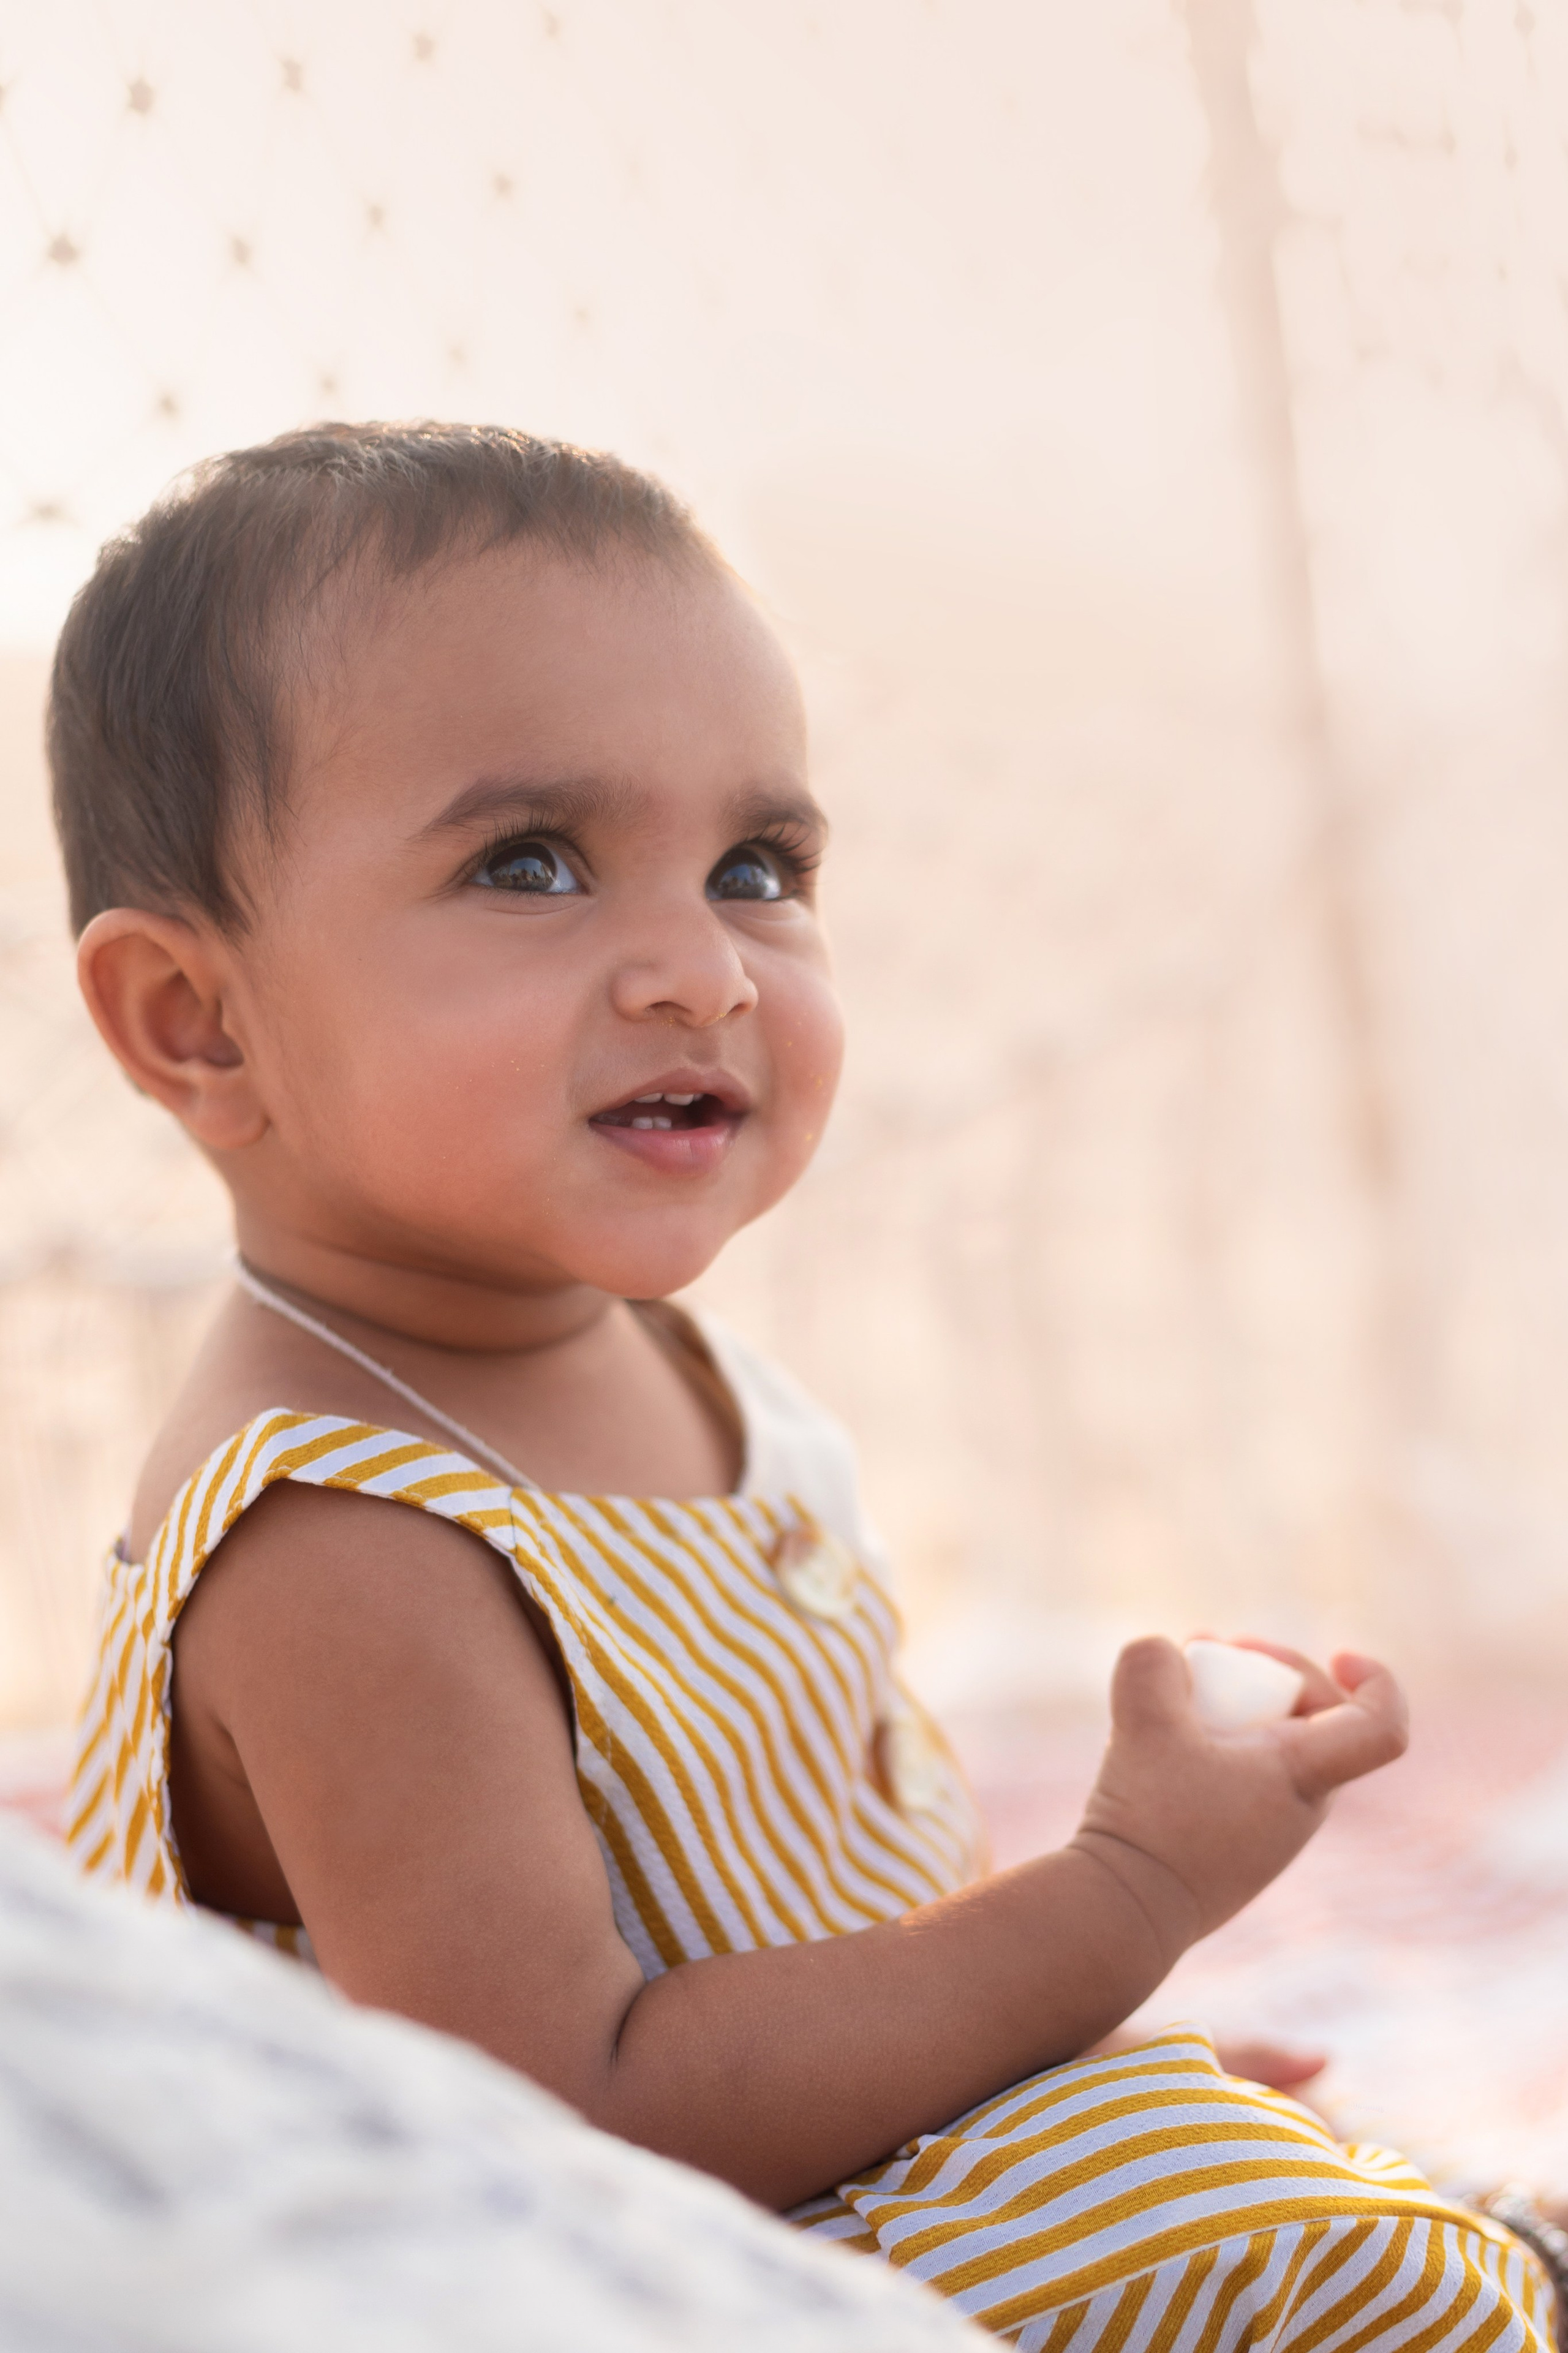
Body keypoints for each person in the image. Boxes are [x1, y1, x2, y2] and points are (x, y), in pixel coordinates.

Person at [58, 423, 1553, 2350]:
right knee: (1351, 2263)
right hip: (634, 2277)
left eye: (756, 866)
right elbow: (564, 2132)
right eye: (531, 863)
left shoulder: (629, 1339)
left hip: (832, 2163)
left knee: (1337, 2177)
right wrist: (1119, 1895)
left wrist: (1049, 2071)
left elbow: (805, 1905)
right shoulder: (346, 1538)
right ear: (196, 1020)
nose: (704, 971)